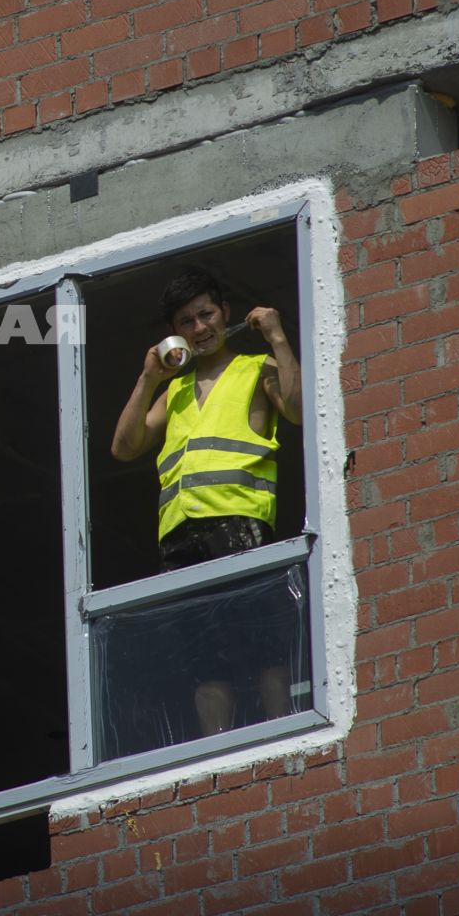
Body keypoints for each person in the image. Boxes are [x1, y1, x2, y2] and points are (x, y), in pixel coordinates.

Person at [109, 267, 302, 737]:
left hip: (240, 529)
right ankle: (217, 755)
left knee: (265, 655)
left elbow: (298, 409)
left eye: (206, 314)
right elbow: (124, 447)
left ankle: (279, 738)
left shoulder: (257, 368)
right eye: (186, 322)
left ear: (225, 313)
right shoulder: (173, 391)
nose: (199, 328)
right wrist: (148, 379)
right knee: (205, 665)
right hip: (181, 540)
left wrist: (277, 337)